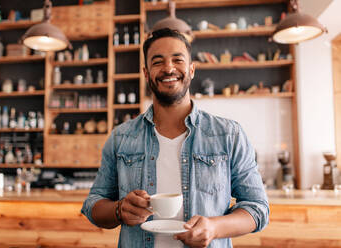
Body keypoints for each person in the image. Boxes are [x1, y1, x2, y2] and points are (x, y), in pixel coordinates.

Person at [82, 28, 269, 248]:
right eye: (158, 62)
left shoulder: (229, 134)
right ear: (146, 72)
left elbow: (257, 209)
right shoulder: (121, 137)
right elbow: (93, 205)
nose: (168, 68)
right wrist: (119, 210)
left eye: (177, 60)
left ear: (191, 69)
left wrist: (214, 227)